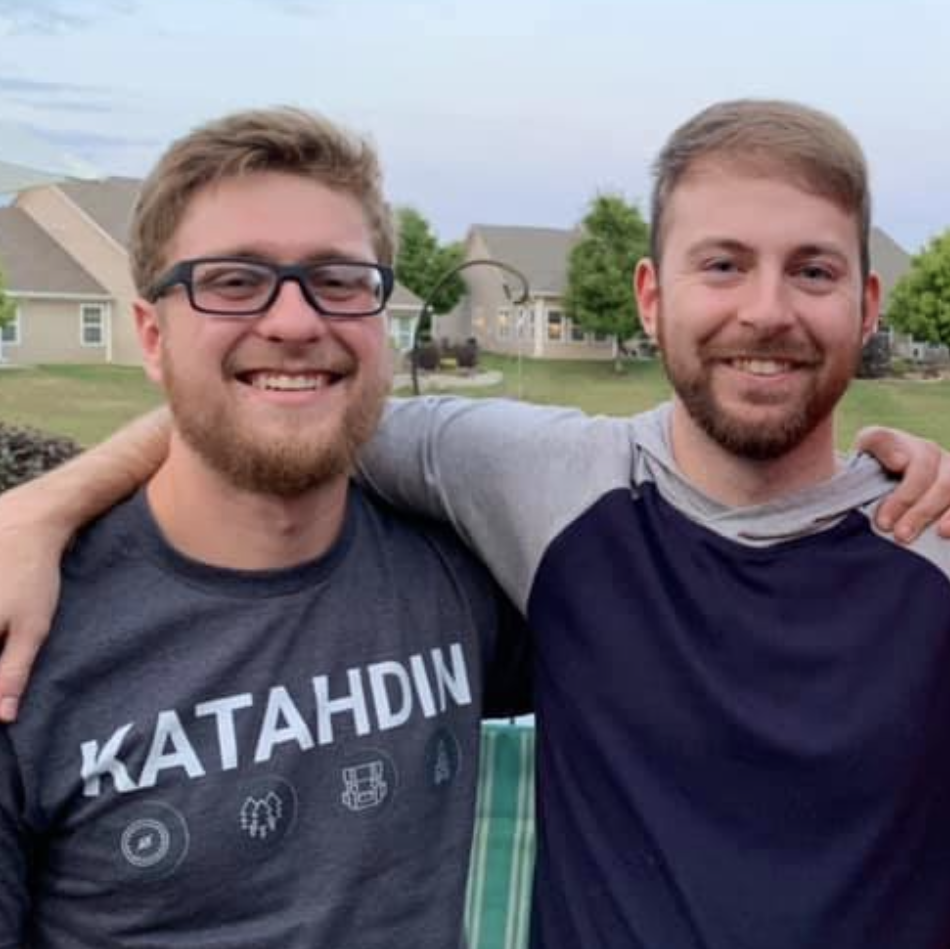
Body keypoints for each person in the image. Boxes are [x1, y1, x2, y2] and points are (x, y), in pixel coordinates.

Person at [1, 98, 950, 948]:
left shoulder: (927, 536)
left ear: (867, 306)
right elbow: (280, 403)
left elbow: (302, 397)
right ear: (652, 298)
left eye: (813, 270)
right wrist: (40, 508)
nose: (766, 309)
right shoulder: (541, 487)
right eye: (724, 265)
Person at [0, 107, 529, 949]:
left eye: (339, 280)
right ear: (151, 335)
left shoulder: (458, 573)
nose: (294, 321)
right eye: (234, 281)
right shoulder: (27, 641)